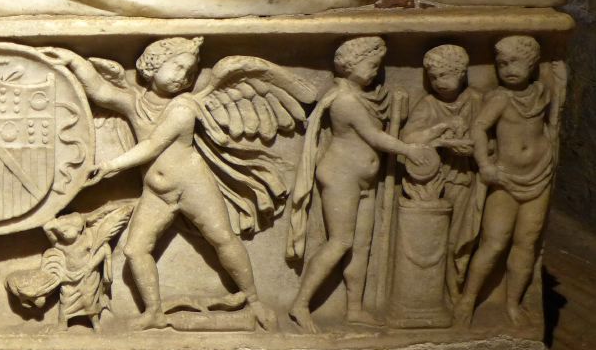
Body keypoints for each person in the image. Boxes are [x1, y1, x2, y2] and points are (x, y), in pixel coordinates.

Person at [80, 38, 278, 331]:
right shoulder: (135, 101)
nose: (182, 76)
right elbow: (99, 90)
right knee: (135, 250)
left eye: (189, 71)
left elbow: (152, 145)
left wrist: (111, 166)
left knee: (222, 238)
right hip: (158, 192)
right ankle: (153, 313)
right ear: (152, 65)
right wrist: (69, 60)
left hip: (191, 184)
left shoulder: (184, 106)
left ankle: (255, 303)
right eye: (177, 67)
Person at [286, 36, 434, 332]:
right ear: (350, 65)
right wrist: (408, 150)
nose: (374, 71)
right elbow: (374, 137)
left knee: (362, 245)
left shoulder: (365, 95)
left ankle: (354, 309)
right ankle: (300, 304)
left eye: (378, 66)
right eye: (370, 65)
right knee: (340, 242)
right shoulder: (345, 100)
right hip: (342, 176)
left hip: (364, 179)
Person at [454, 36, 557, 326]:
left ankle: (512, 302)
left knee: (526, 242)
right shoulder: (500, 98)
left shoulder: (541, 93)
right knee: (495, 242)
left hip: (540, 173)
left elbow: (554, 85)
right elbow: (479, 127)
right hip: (506, 178)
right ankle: (467, 299)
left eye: (516, 62)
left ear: (532, 64)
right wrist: (485, 165)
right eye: (502, 64)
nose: (508, 69)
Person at [398, 44, 484, 299]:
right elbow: (409, 137)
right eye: (433, 77)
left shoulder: (476, 100)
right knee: (438, 238)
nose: (438, 82)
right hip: (433, 181)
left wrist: (473, 149)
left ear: (462, 72)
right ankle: (442, 293)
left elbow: (490, 140)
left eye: (445, 75)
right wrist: (442, 132)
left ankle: (456, 288)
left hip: (465, 178)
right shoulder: (429, 103)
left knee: (461, 238)